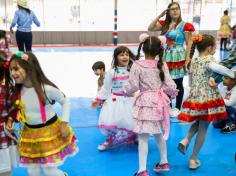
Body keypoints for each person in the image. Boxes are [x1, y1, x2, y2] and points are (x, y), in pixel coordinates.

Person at [9, 51, 78, 176]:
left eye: (16, 69)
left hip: (49, 133)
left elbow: (65, 101)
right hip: (30, 135)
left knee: (49, 170)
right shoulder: (17, 91)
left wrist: (64, 123)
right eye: (11, 70)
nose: (12, 73)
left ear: (29, 68)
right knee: (32, 170)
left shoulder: (46, 89)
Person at [124, 36, 178, 176]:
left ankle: (142, 170)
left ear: (142, 48)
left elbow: (133, 85)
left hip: (145, 103)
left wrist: (126, 91)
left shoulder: (137, 65)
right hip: (160, 103)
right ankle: (164, 162)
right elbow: (170, 85)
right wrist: (170, 95)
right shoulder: (162, 64)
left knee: (143, 138)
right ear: (159, 49)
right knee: (158, 134)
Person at [177, 34, 227, 170]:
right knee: (203, 129)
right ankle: (193, 159)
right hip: (207, 98)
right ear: (210, 48)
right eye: (215, 47)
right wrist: (232, 74)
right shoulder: (210, 60)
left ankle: (186, 139)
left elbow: (195, 80)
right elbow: (221, 71)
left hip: (195, 96)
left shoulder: (195, 60)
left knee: (198, 122)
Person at [148, 2, 195, 116]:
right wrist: (160, 15)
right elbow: (150, 28)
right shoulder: (164, 24)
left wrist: (188, 59)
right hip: (165, 55)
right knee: (165, 81)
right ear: (168, 12)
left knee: (178, 82)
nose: (175, 11)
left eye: (177, 9)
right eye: (172, 9)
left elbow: (189, 43)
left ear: (180, 10)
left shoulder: (185, 25)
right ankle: (168, 106)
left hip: (178, 56)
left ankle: (178, 107)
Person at [92, 46, 136, 151]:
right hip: (115, 101)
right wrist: (98, 100)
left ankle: (135, 136)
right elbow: (106, 89)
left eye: (127, 54)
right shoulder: (111, 72)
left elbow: (136, 84)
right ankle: (109, 139)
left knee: (131, 121)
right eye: (122, 55)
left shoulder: (132, 70)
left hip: (130, 100)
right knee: (112, 121)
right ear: (116, 57)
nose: (125, 57)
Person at [0, 50, 18, 176]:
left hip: (3, 132)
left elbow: (15, 109)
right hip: (4, 132)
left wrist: (10, 121)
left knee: (5, 169)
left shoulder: (8, 89)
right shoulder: (9, 88)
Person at [213, 69, 236, 133]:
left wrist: (218, 99)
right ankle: (232, 123)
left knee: (224, 106)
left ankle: (230, 125)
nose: (223, 79)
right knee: (216, 124)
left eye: (226, 78)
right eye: (224, 77)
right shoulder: (224, 88)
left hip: (233, 111)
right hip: (230, 113)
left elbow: (229, 103)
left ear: (233, 81)